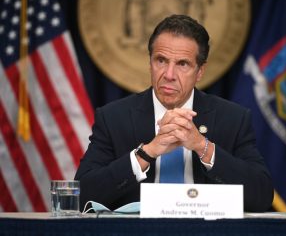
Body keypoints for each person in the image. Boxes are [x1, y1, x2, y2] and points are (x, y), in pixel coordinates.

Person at [75, 14, 273, 212]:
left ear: (200, 72)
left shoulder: (232, 119)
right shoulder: (114, 118)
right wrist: (147, 152)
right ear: (150, 62)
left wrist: (202, 147)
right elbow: (82, 195)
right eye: (161, 60)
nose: (169, 75)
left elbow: (262, 197)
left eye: (182, 64)